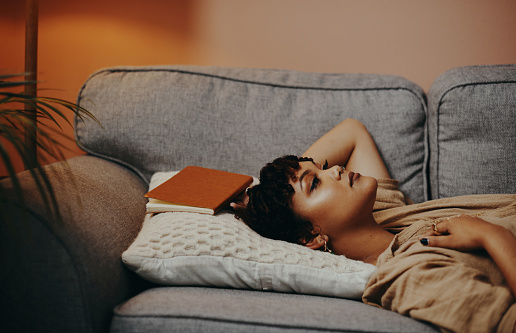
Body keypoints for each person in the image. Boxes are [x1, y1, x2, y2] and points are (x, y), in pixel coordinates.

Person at [232, 118, 516, 333]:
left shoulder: (386, 214)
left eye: (323, 166)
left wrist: (263, 198)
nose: (335, 169)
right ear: (311, 235)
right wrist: (493, 236)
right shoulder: (405, 274)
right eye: (316, 183)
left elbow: (352, 131)